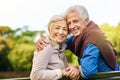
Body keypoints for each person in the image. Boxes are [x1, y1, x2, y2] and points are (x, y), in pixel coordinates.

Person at [35, 5, 119, 79]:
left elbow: (88, 71)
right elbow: (63, 42)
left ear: (86, 20)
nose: (72, 26)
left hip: (110, 78)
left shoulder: (93, 38)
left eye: (75, 21)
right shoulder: (82, 33)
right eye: (69, 23)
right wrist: (45, 40)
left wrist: (76, 68)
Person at [30, 14, 80, 80]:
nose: (61, 32)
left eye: (65, 29)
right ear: (49, 29)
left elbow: (65, 70)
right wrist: (61, 72)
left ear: (68, 33)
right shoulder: (46, 46)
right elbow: (35, 75)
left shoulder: (60, 49)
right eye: (57, 28)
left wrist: (75, 68)